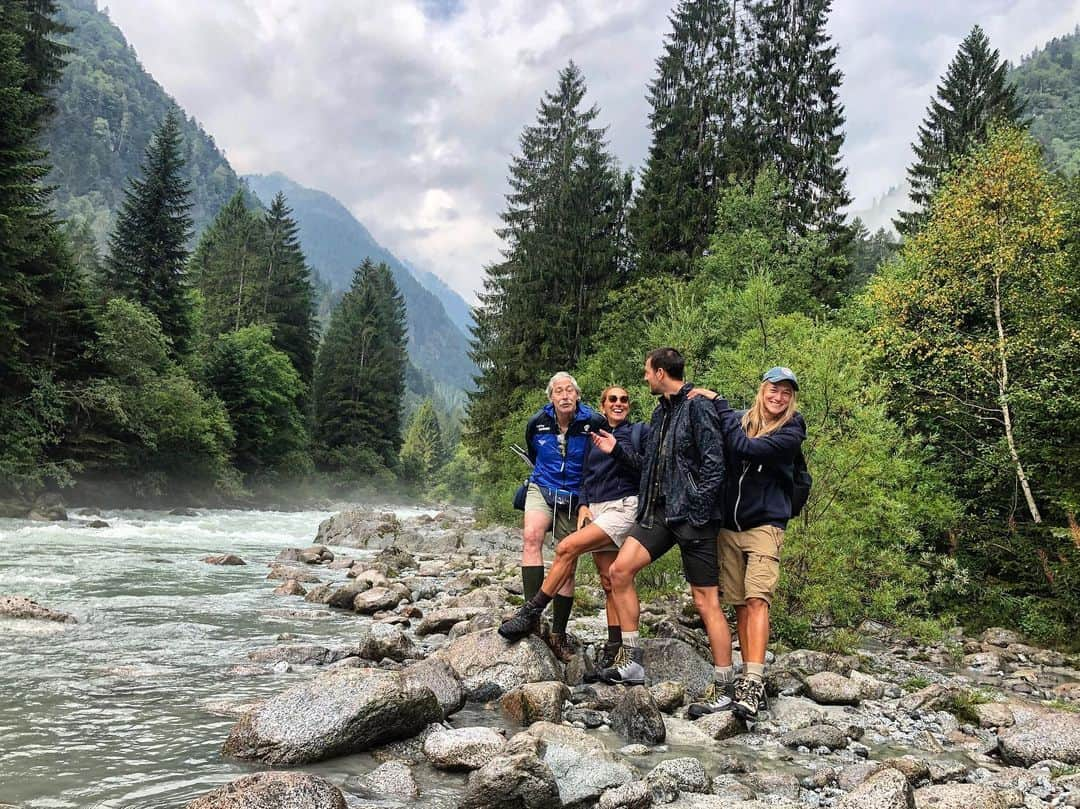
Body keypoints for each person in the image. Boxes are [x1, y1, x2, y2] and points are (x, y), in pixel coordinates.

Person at [598, 349, 736, 715]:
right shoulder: (660, 413)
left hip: (693, 518)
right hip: (659, 514)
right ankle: (632, 661)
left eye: (647, 372)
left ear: (661, 372)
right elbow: (649, 468)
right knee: (619, 571)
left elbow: (714, 465)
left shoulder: (697, 407)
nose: (644, 379)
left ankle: (725, 687)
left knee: (706, 601)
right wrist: (616, 452)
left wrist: (699, 511)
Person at [499, 386, 650, 678]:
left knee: (566, 548)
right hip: (596, 509)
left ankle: (531, 612)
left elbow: (644, 470)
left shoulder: (638, 434)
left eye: (624, 400)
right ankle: (614, 648)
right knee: (609, 580)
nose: (619, 404)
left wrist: (617, 450)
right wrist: (582, 505)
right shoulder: (592, 436)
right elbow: (585, 476)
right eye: (612, 400)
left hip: (623, 508)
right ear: (603, 406)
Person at [690, 366, 806, 719]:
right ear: (762, 389)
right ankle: (739, 679)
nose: (779, 397)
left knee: (758, 600)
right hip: (728, 527)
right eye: (774, 389)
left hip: (765, 526)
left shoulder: (792, 429)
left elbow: (746, 449)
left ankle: (753, 684)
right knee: (739, 604)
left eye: (786, 392)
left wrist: (719, 403)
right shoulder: (740, 419)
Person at [516, 371, 605, 661]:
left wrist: (588, 499)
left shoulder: (593, 422)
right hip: (542, 486)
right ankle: (531, 617)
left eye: (570, 390)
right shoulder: (537, 423)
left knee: (567, 559)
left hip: (576, 497)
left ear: (577, 395)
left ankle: (558, 633)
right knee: (531, 536)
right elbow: (534, 453)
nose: (565, 395)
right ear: (551, 397)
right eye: (558, 391)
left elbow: (602, 459)